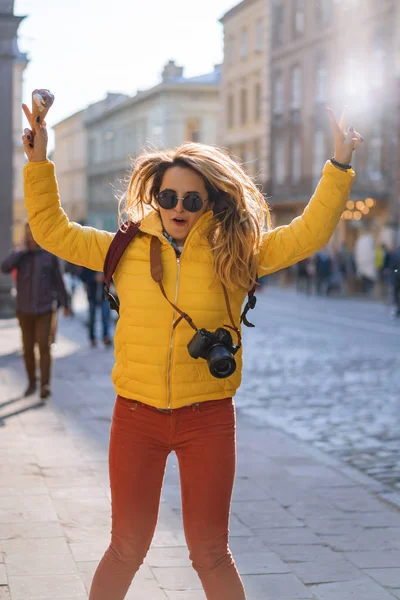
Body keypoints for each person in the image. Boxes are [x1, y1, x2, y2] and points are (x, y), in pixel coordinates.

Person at [21, 101, 361, 600]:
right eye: (168, 196)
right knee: (126, 547)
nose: (179, 207)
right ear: (156, 197)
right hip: (135, 416)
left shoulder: (236, 252)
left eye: (192, 199)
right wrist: (38, 163)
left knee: (210, 553)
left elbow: (307, 234)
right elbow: (51, 230)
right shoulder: (123, 247)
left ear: (211, 201)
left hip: (209, 418)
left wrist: (339, 164)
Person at [1, 223, 70, 399]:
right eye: (29, 233)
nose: (32, 237)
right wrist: (21, 251)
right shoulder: (21, 256)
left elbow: (59, 281)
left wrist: (66, 304)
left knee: (44, 346)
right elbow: (5, 267)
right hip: (24, 310)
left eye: (34, 233)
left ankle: (45, 385)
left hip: (45, 308)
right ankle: (32, 382)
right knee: (28, 348)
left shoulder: (49, 255)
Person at [79, 267, 112, 347]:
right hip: (92, 295)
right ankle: (92, 338)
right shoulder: (90, 261)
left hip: (105, 295)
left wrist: (105, 278)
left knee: (105, 317)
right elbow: (83, 276)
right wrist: (94, 277)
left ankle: (106, 336)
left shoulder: (107, 261)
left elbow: (114, 276)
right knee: (92, 318)